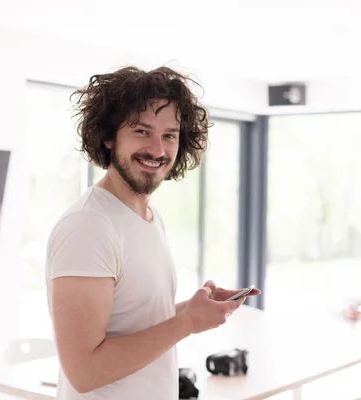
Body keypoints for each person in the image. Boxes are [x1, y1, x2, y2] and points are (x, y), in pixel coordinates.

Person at [45, 66, 260, 400]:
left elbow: (133, 323)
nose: (157, 150)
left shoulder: (149, 218)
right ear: (108, 135)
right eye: (142, 131)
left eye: (169, 135)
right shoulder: (87, 227)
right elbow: (84, 372)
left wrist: (193, 309)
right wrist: (188, 323)